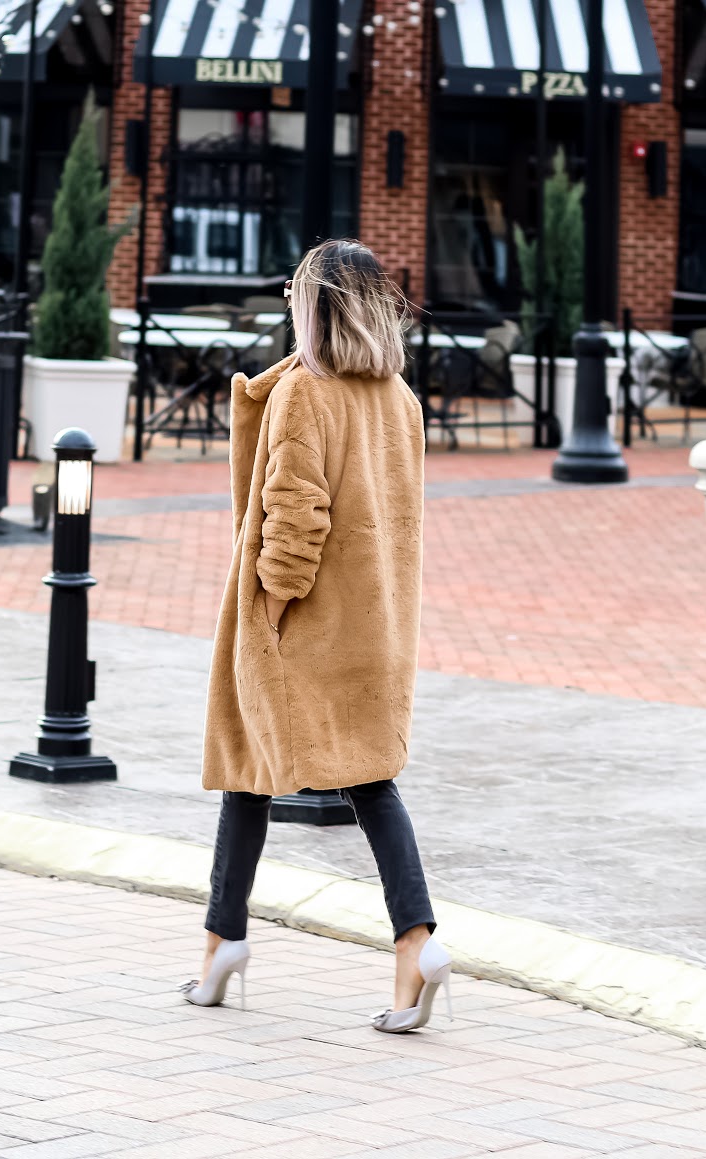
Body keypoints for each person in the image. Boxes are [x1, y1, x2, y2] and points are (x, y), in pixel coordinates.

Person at [180, 240, 449, 1033]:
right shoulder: (400, 398)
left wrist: (268, 609)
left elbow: (295, 520)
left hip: (304, 623)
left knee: (247, 766)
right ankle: (415, 941)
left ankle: (224, 942)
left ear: (317, 305)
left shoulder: (306, 391)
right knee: (367, 777)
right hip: (376, 626)